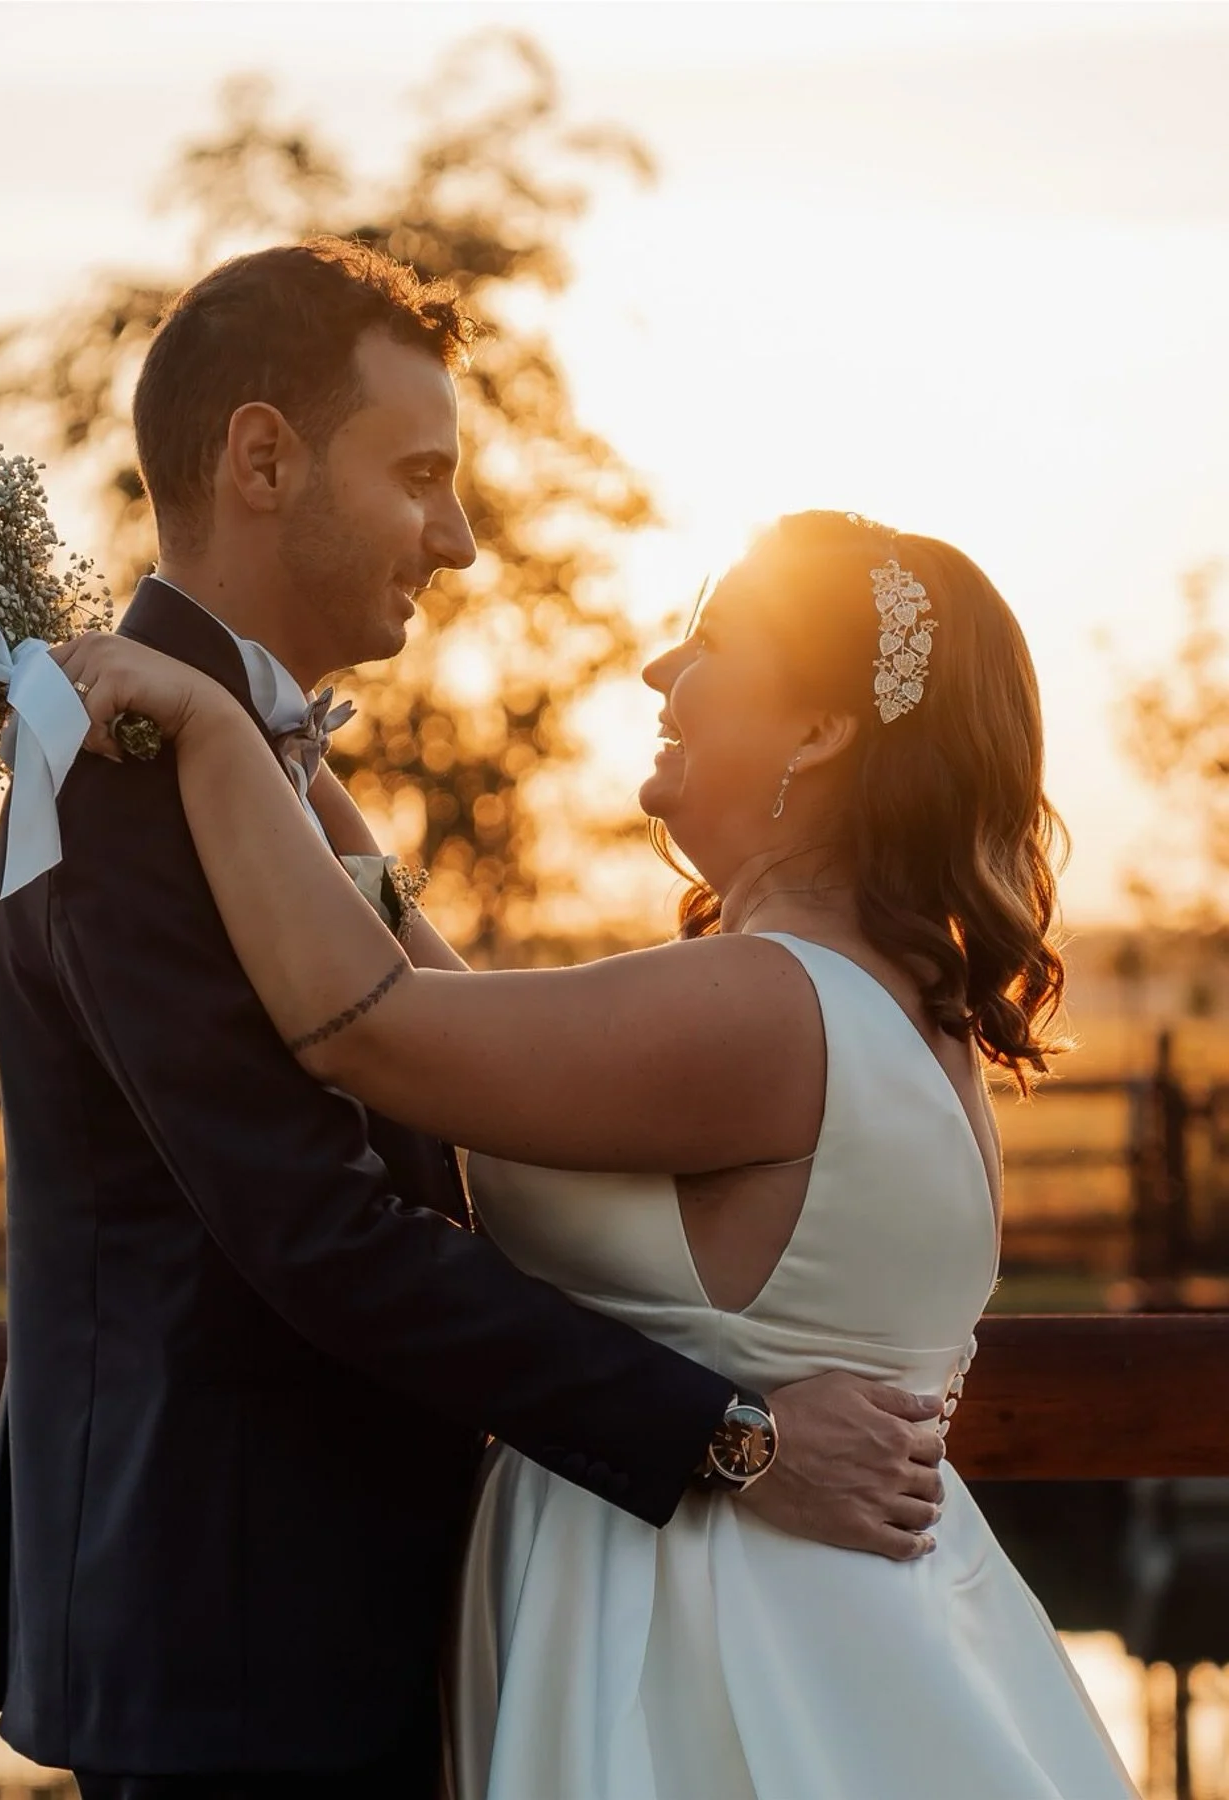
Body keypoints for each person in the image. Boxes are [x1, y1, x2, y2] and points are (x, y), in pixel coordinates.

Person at [0, 242, 945, 1800]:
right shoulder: (122, 764)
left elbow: (446, 1064)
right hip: (236, 1640)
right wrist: (732, 1438)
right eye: (421, 475)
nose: (461, 538)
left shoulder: (246, 763)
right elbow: (317, 1233)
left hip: (348, 1615)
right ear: (263, 459)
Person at [57, 505, 1141, 1798]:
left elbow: (374, 1029)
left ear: (818, 731)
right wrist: (306, 774)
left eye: (711, 643)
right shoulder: (892, 1006)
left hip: (705, 1648)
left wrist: (214, 731)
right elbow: (457, 1018)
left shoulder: (766, 1005)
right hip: (827, 1618)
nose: (659, 668)